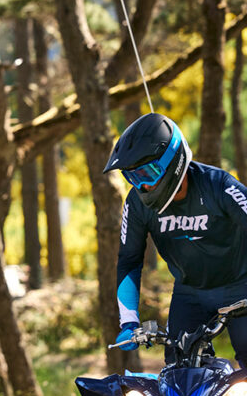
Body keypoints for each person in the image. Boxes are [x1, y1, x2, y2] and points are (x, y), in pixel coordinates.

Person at [105, 113, 247, 366]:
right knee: (178, 367)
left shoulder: (220, 186)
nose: (143, 187)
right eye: (133, 177)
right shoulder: (137, 204)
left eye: (147, 174)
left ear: (174, 161)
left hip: (241, 287)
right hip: (190, 292)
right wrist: (129, 321)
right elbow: (129, 261)